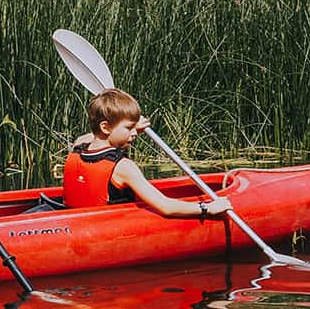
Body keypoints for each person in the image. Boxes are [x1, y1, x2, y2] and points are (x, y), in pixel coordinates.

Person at [62, 87, 232, 219]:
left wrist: (127, 128)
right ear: (105, 127)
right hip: (105, 226)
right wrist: (207, 208)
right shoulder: (123, 167)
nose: (134, 133)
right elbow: (166, 206)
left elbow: (92, 135)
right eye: (129, 128)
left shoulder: (79, 146)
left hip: (75, 218)